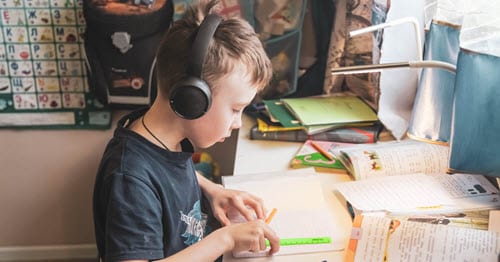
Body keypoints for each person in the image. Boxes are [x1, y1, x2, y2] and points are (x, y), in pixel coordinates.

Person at [92, 0, 280, 261]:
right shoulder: (129, 179)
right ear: (192, 100)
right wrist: (225, 239)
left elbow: (166, 170)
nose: (237, 123)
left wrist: (211, 189)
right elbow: (147, 180)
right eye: (236, 109)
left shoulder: (163, 137)